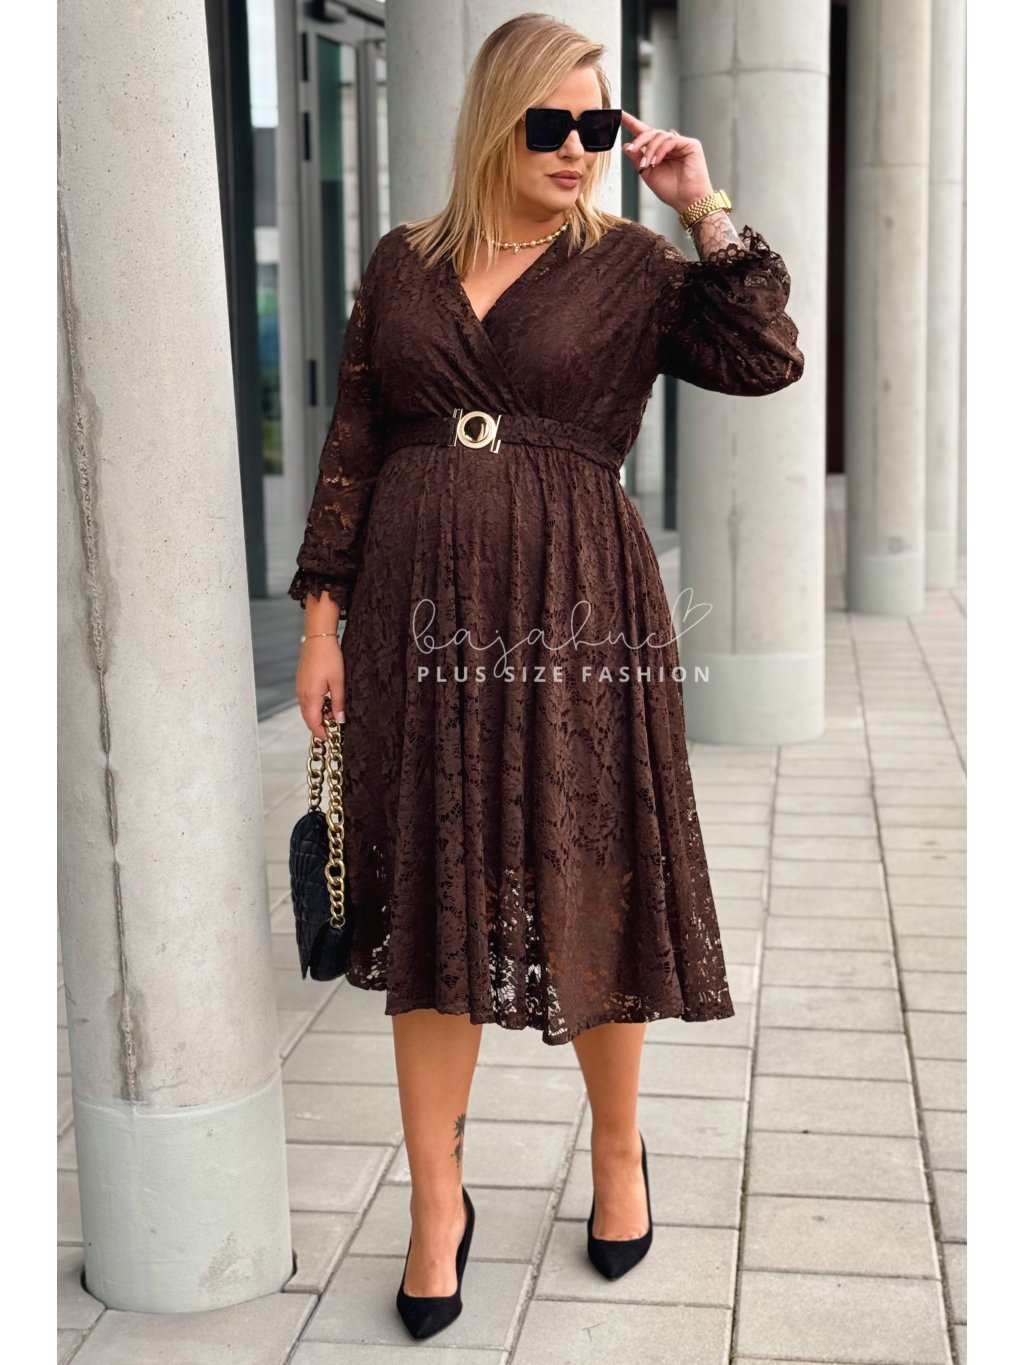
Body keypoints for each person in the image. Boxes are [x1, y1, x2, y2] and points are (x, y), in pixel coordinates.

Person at [290, 12, 804, 1341]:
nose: (580, 147)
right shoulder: (402, 263)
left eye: (596, 125)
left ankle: (619, 1153)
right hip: (412, 613)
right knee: (428, 892)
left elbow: (765, 356)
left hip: (575, 603)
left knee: (590, 873)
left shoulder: (630, 264)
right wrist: (323, 623)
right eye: (553, 124)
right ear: (494, 120)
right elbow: (354, 438)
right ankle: (436, 1204)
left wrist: (703, 207)